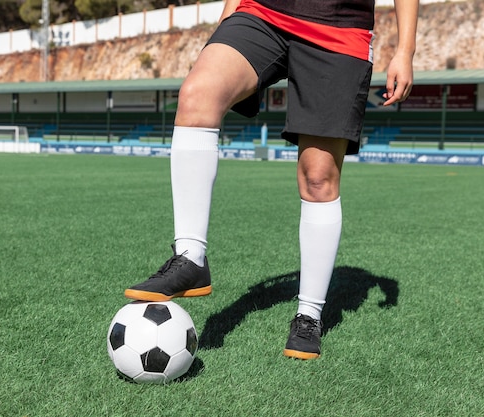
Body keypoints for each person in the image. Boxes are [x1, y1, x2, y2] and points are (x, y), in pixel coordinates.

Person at [125, 0, 419, 359]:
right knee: (197, 95)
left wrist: (405, 51)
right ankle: (191, 257)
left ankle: (308, 315)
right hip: (262, 12)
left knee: (318, 177)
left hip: (338, 30)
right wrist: (230, 12)